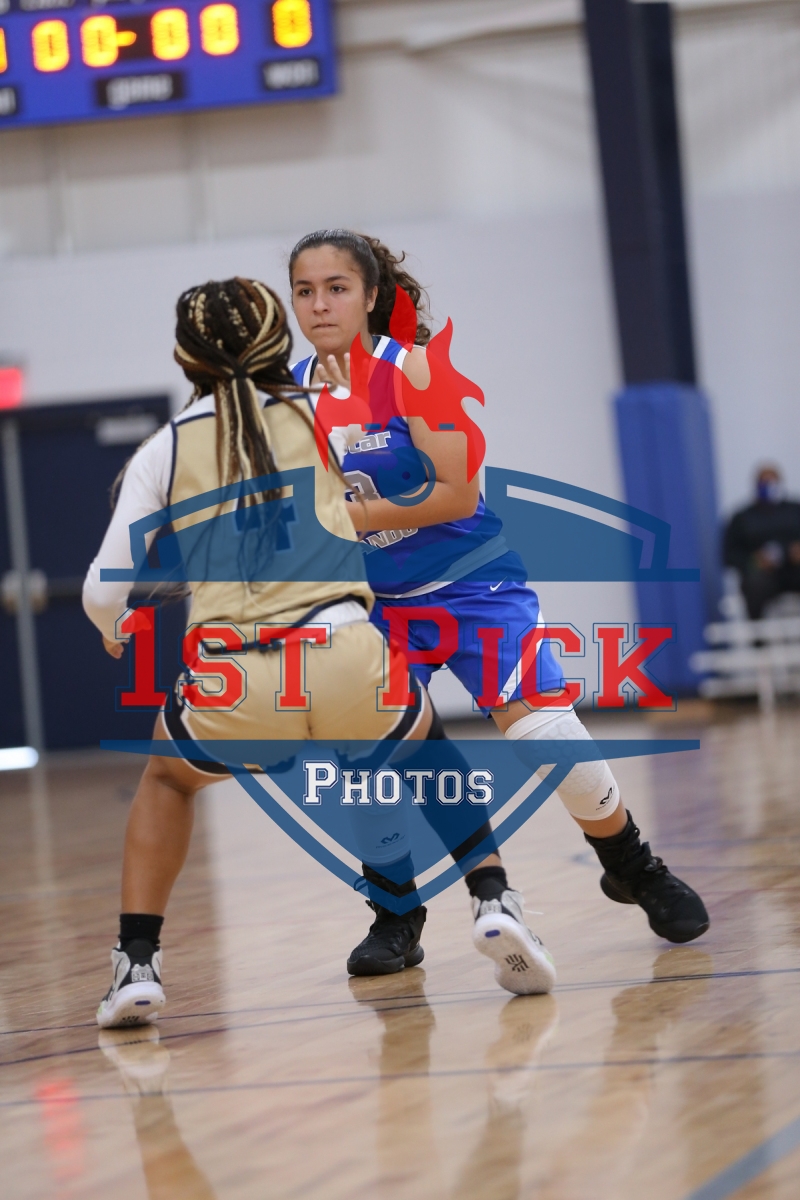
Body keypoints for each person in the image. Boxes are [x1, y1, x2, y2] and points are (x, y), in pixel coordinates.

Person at [288, 228, 710, 976]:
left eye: (337, 288)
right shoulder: (287, 397)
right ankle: (396, 915)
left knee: (543, 729)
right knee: (366, 752)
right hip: (374, 603)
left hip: (470, 583)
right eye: (304, 290)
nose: (319, 304)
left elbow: (457, 493)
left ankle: (631, 864)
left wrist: (343, 517)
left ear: (371, 296)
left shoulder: (414, 371)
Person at [83, 277, 482, 1027]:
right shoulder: (324, 413)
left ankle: (137, 963)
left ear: (184, 357)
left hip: (234, 679)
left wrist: (115, 624)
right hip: (341, 652)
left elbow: (103, 589)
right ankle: (495, 900)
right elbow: (410, 480)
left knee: (166, 781)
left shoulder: (166, 447)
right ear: (279, 343)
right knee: (425, 747)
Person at [723, 465, 800, 619]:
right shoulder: (742, 517)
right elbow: (729, 555)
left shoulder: (795, 510)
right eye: (764, 482)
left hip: (794, 570)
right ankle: (757, 632)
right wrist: (754, 560)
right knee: (755, 584)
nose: (769, 486)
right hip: (762, 575)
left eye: (772, 481)